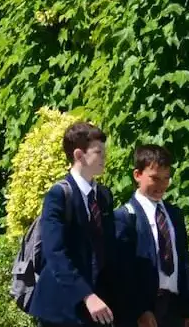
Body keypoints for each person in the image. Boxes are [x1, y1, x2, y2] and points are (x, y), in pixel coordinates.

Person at [30, 121, 116, 327]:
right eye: (98, 152)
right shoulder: (58, 195)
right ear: (79, 155)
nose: (104, 157)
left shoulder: (103, 195)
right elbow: (55, 253)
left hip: (97, 308)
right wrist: (86, 295)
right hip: (61, 308)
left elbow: (108, 250)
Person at [105, 145, 189, 327]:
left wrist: (188, 312)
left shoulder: (174, 215)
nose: (161, 185)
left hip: (174, 308)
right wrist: (140, 310)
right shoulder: (125, 217)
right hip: (145, 308)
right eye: (155, 178)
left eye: (166, 179)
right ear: (137, 175)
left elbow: (183, 263)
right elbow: (124, 271)